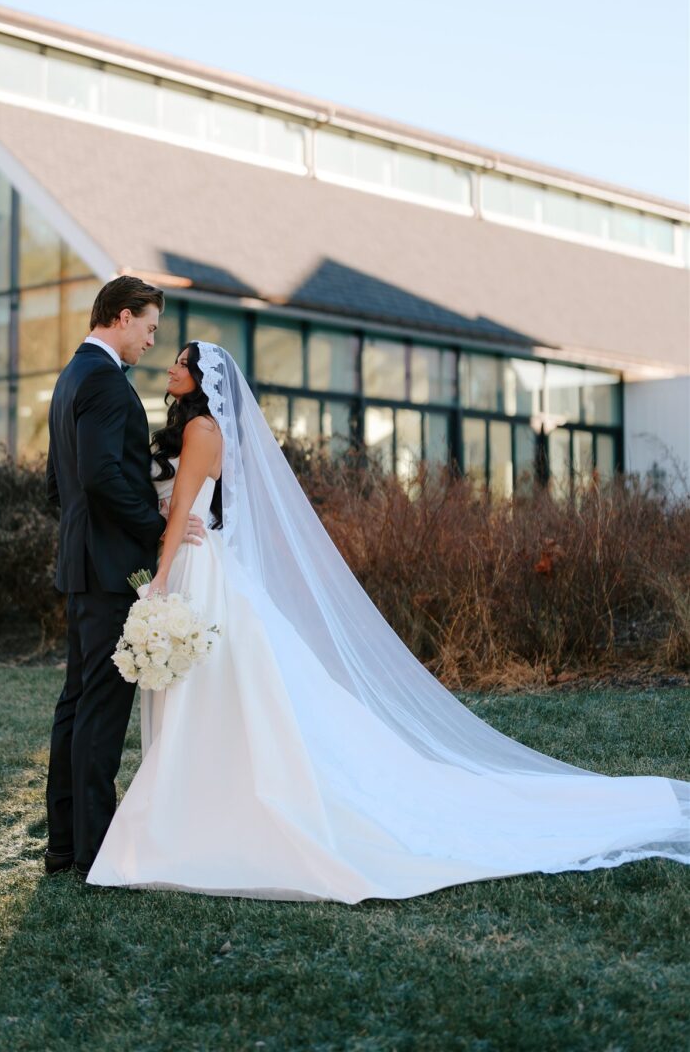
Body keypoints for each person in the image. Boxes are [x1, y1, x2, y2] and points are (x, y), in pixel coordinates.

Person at [87, 341, 690, 903]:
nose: (170, 367)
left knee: (215, 688)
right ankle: (200, 801)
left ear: (200, 380)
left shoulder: (199, 430)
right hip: (205, 563)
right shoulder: (198, 429)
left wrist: (160, 583)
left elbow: (183, 512)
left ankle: (199, 809)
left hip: (194, 567)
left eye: (180, 361)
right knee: (227, 689)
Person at [43, 277, 207, 877]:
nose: (151, 340)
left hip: (82, 564)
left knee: (77, 704)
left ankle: (65, 844)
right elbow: (101, 477)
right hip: (109, 571)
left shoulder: (69, 378)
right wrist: (157, 525)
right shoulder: (109, 384)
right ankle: (93, 850)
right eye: (148, 326)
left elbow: (57, 486)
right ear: (120, 316)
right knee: (101, 712)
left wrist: (82, 536)